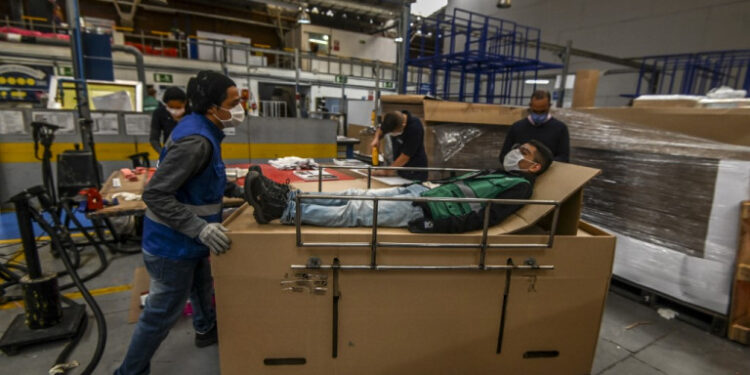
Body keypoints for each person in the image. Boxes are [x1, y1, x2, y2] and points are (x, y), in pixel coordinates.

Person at [115, 71, 245, 375]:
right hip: (171, 245)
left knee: (201, 287)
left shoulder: (203, 129)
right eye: (234, 102)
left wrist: (237, 191)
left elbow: (201, 175)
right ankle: (128, 372)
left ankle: (204, 329)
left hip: (191, 242)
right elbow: (156, 194)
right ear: (213, 107)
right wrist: (200, 228)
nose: (241, 108)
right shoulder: (196, 140)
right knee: (161, 314)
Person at [246, 140, 552, 234]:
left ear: (535, 166)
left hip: (429, 208)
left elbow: (486, 217)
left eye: (524, 153)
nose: (516, 152)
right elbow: (459, 187)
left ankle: (281, 210)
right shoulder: (502, 172)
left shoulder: (519, 188)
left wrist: (435, 224)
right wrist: (427, 184)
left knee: (356, 212)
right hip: (424, 191)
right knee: (354, 194)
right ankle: (290, 195)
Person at [499, 90, 570, 163]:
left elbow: (564, 157)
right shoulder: (517, 127)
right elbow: (504, 156)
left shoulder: (560, 128)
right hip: (521, 170)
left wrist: (543, 165)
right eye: (535, 111)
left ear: (549, 106)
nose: (538, 115)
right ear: (530, 106)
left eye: (542, 111)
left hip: (550, 172)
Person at [369, 110, 429, 181]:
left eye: (393, 132)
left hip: (415, 172)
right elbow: (381, 129)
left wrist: (386, 171)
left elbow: (405, 156)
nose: (392, 134)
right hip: (400, 170)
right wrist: (376, 138)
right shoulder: (393, 118)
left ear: (403, 125)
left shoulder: (415, 127)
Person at [149, 86, 187, 154]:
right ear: (166, 104)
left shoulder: (191, 113)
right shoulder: (159, 113)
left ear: (185, 103)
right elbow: (154, 139)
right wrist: (163, 153)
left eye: (178, 107)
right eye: (171, 107)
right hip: (169, 151)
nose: (175, 110)